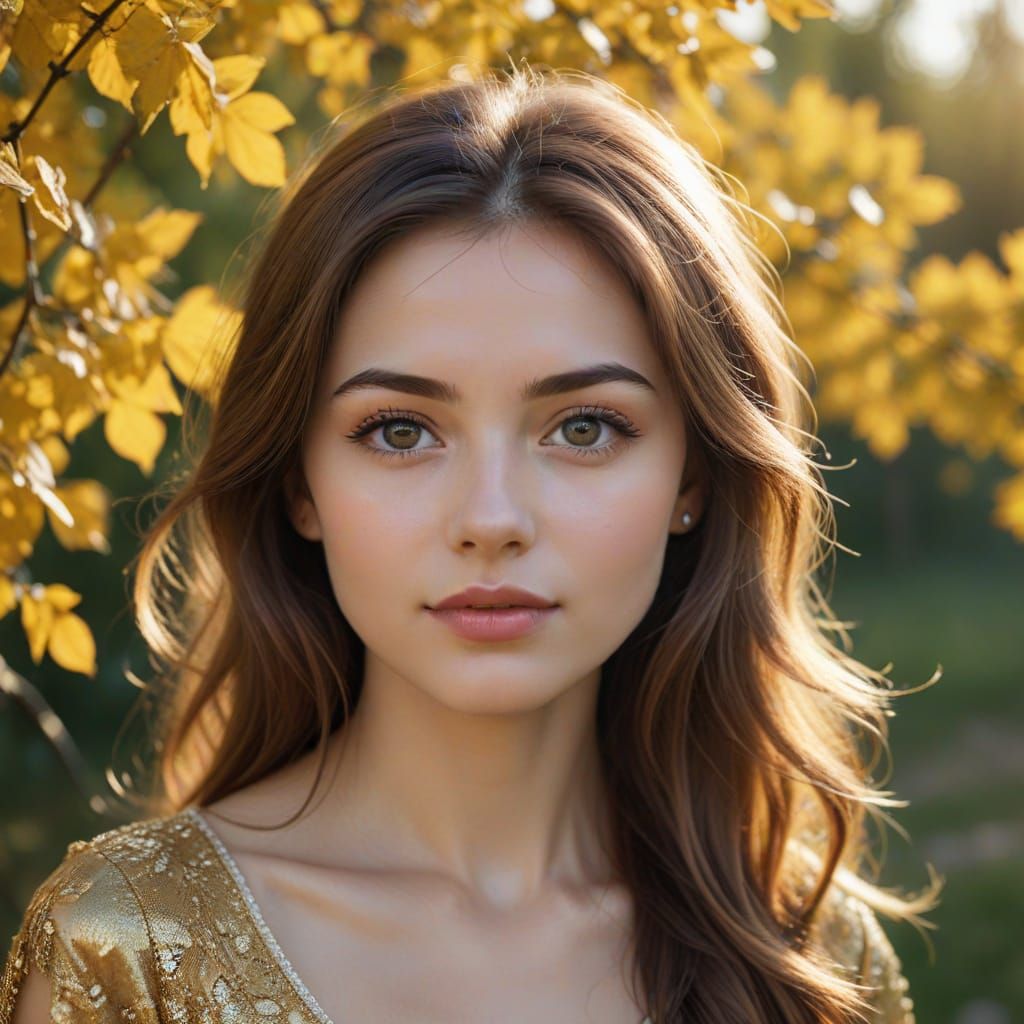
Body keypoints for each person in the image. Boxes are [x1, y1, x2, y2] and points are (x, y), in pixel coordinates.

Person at [0, 64, 941, 1024]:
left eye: (584, 428)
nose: (491, 519)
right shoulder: (129, 952)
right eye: (400, 430)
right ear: (298, 483)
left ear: (692, 479)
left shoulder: (810, 955)